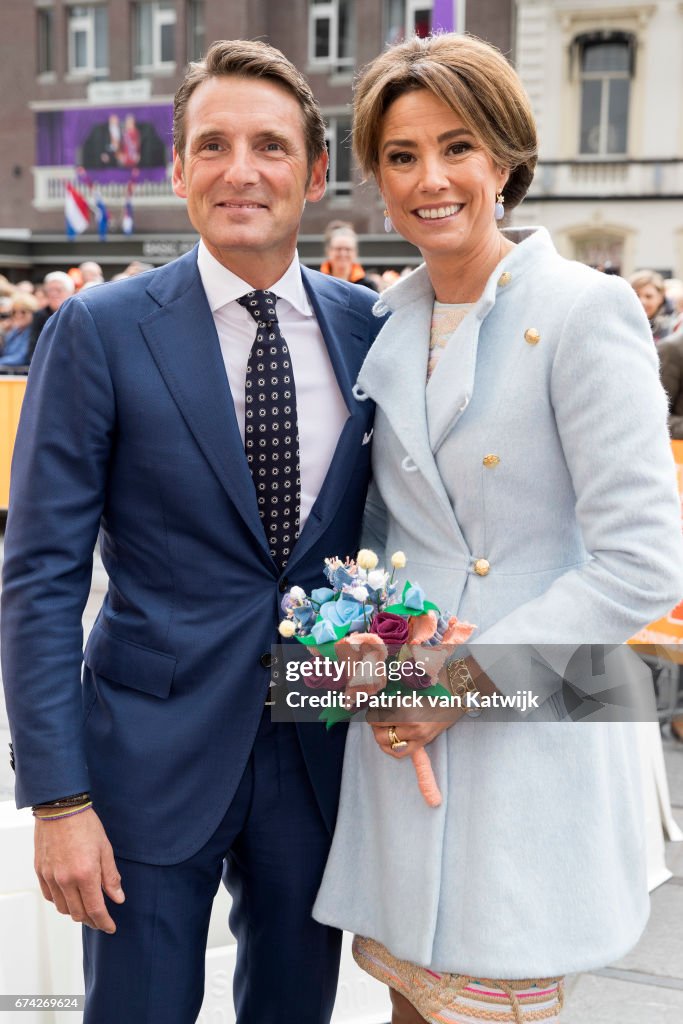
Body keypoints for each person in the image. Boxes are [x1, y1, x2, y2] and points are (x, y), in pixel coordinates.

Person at [1, 38, 382, 1024]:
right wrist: (57, 799)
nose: (239, 169)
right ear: (177, 170)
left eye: (268, 145)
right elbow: (40, 572)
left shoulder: (369, 327)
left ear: (312, 172)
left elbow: (391, 540)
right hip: (144, 762)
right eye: (212, 144)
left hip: (317, 752)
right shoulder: (100, 328)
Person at [312, 33, 683, 1024]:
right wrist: (369, 649)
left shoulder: (584, 309)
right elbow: (391, 525)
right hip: (404, 743)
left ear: (505, 160)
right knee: (409, 1000)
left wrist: (458, 687)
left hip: (525, 736)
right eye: (399, 156)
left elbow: (643, 562)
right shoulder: (383, 320)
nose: (428, 179)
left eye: (456, 146)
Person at [321, 220, 379, 290]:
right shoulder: (316, 280)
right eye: (338, 249)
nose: (343, 254)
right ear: (328, 251)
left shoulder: (367, 285)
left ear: (355, 252)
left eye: (348, 249)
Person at [628, 269, 678, 341]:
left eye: (649, 296)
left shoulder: (673, 326)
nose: (642, 301)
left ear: (660, 298)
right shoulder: (620, 324)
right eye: (637, 295)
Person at [0, 293, 38, 367]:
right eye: (14, 312)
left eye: (23, 312)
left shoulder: (34, 333)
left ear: (33, 313)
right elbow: (4, 352)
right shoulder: (14, 331)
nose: (18, 315)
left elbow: (22, 358)